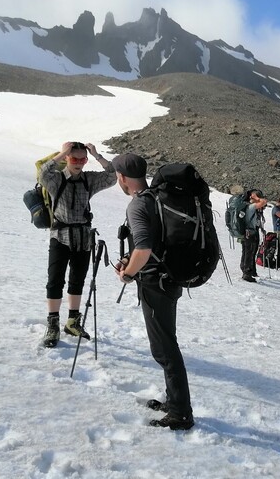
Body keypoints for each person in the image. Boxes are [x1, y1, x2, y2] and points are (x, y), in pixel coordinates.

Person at [112, 153, 194, 430]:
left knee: (164, 349)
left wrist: (129, 272)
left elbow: (144, 248)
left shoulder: (138, 205)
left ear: (121, 177)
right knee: (166, 342)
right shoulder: (156, 198)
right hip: (169, 279)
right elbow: (154, 244)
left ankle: (181, 413)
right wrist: (130, 262)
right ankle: (174, 401)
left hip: (155, 283)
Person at [39, 141, 115, 348]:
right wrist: (63, 153)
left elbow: (111, 176)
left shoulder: (89, 180)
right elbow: (43, 174)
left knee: (77, 280)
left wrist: (97, 155)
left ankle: (72, 321)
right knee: (55, 280)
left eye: (83, 159)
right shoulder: (55, 180)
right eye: (75, 158)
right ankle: (53, 324)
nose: (79, 162)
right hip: (60, 236)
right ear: (66, 158)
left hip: (82, 236)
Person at [241, 189, 268, 282]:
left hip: (246, 232)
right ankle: (247, 273)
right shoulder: (251, 206)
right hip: (250, 232)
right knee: (249, 252)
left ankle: (246, 269)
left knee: (246, 251)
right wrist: (255, 197)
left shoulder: (248, 206)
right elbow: (264, 202)